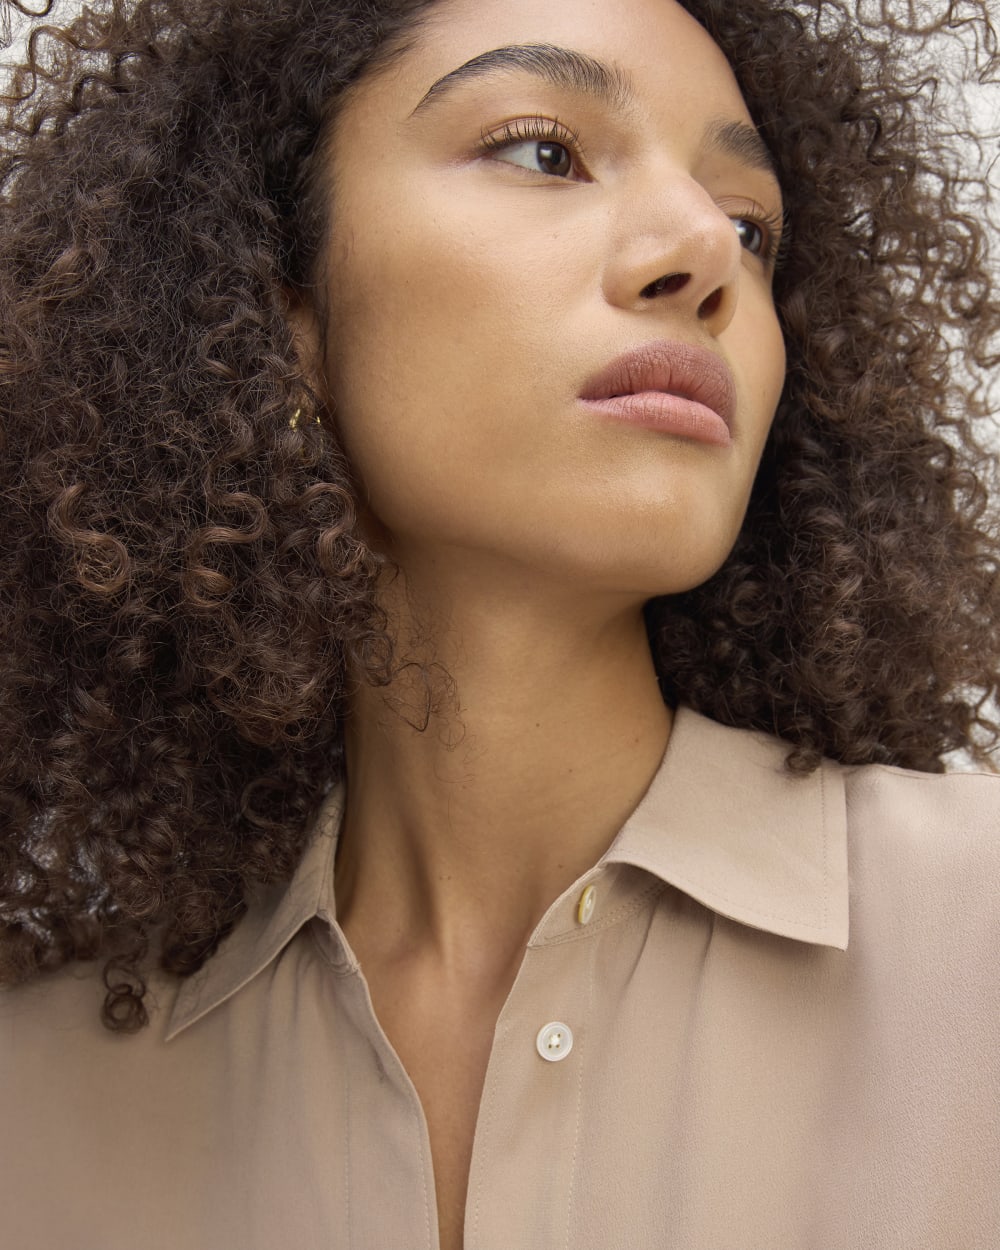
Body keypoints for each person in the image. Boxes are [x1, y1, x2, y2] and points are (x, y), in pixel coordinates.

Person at [1, 0, 998, 1246]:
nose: (705, 249)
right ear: (280, 309)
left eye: (752, 226)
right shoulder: (35, 1099)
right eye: (544, 150)